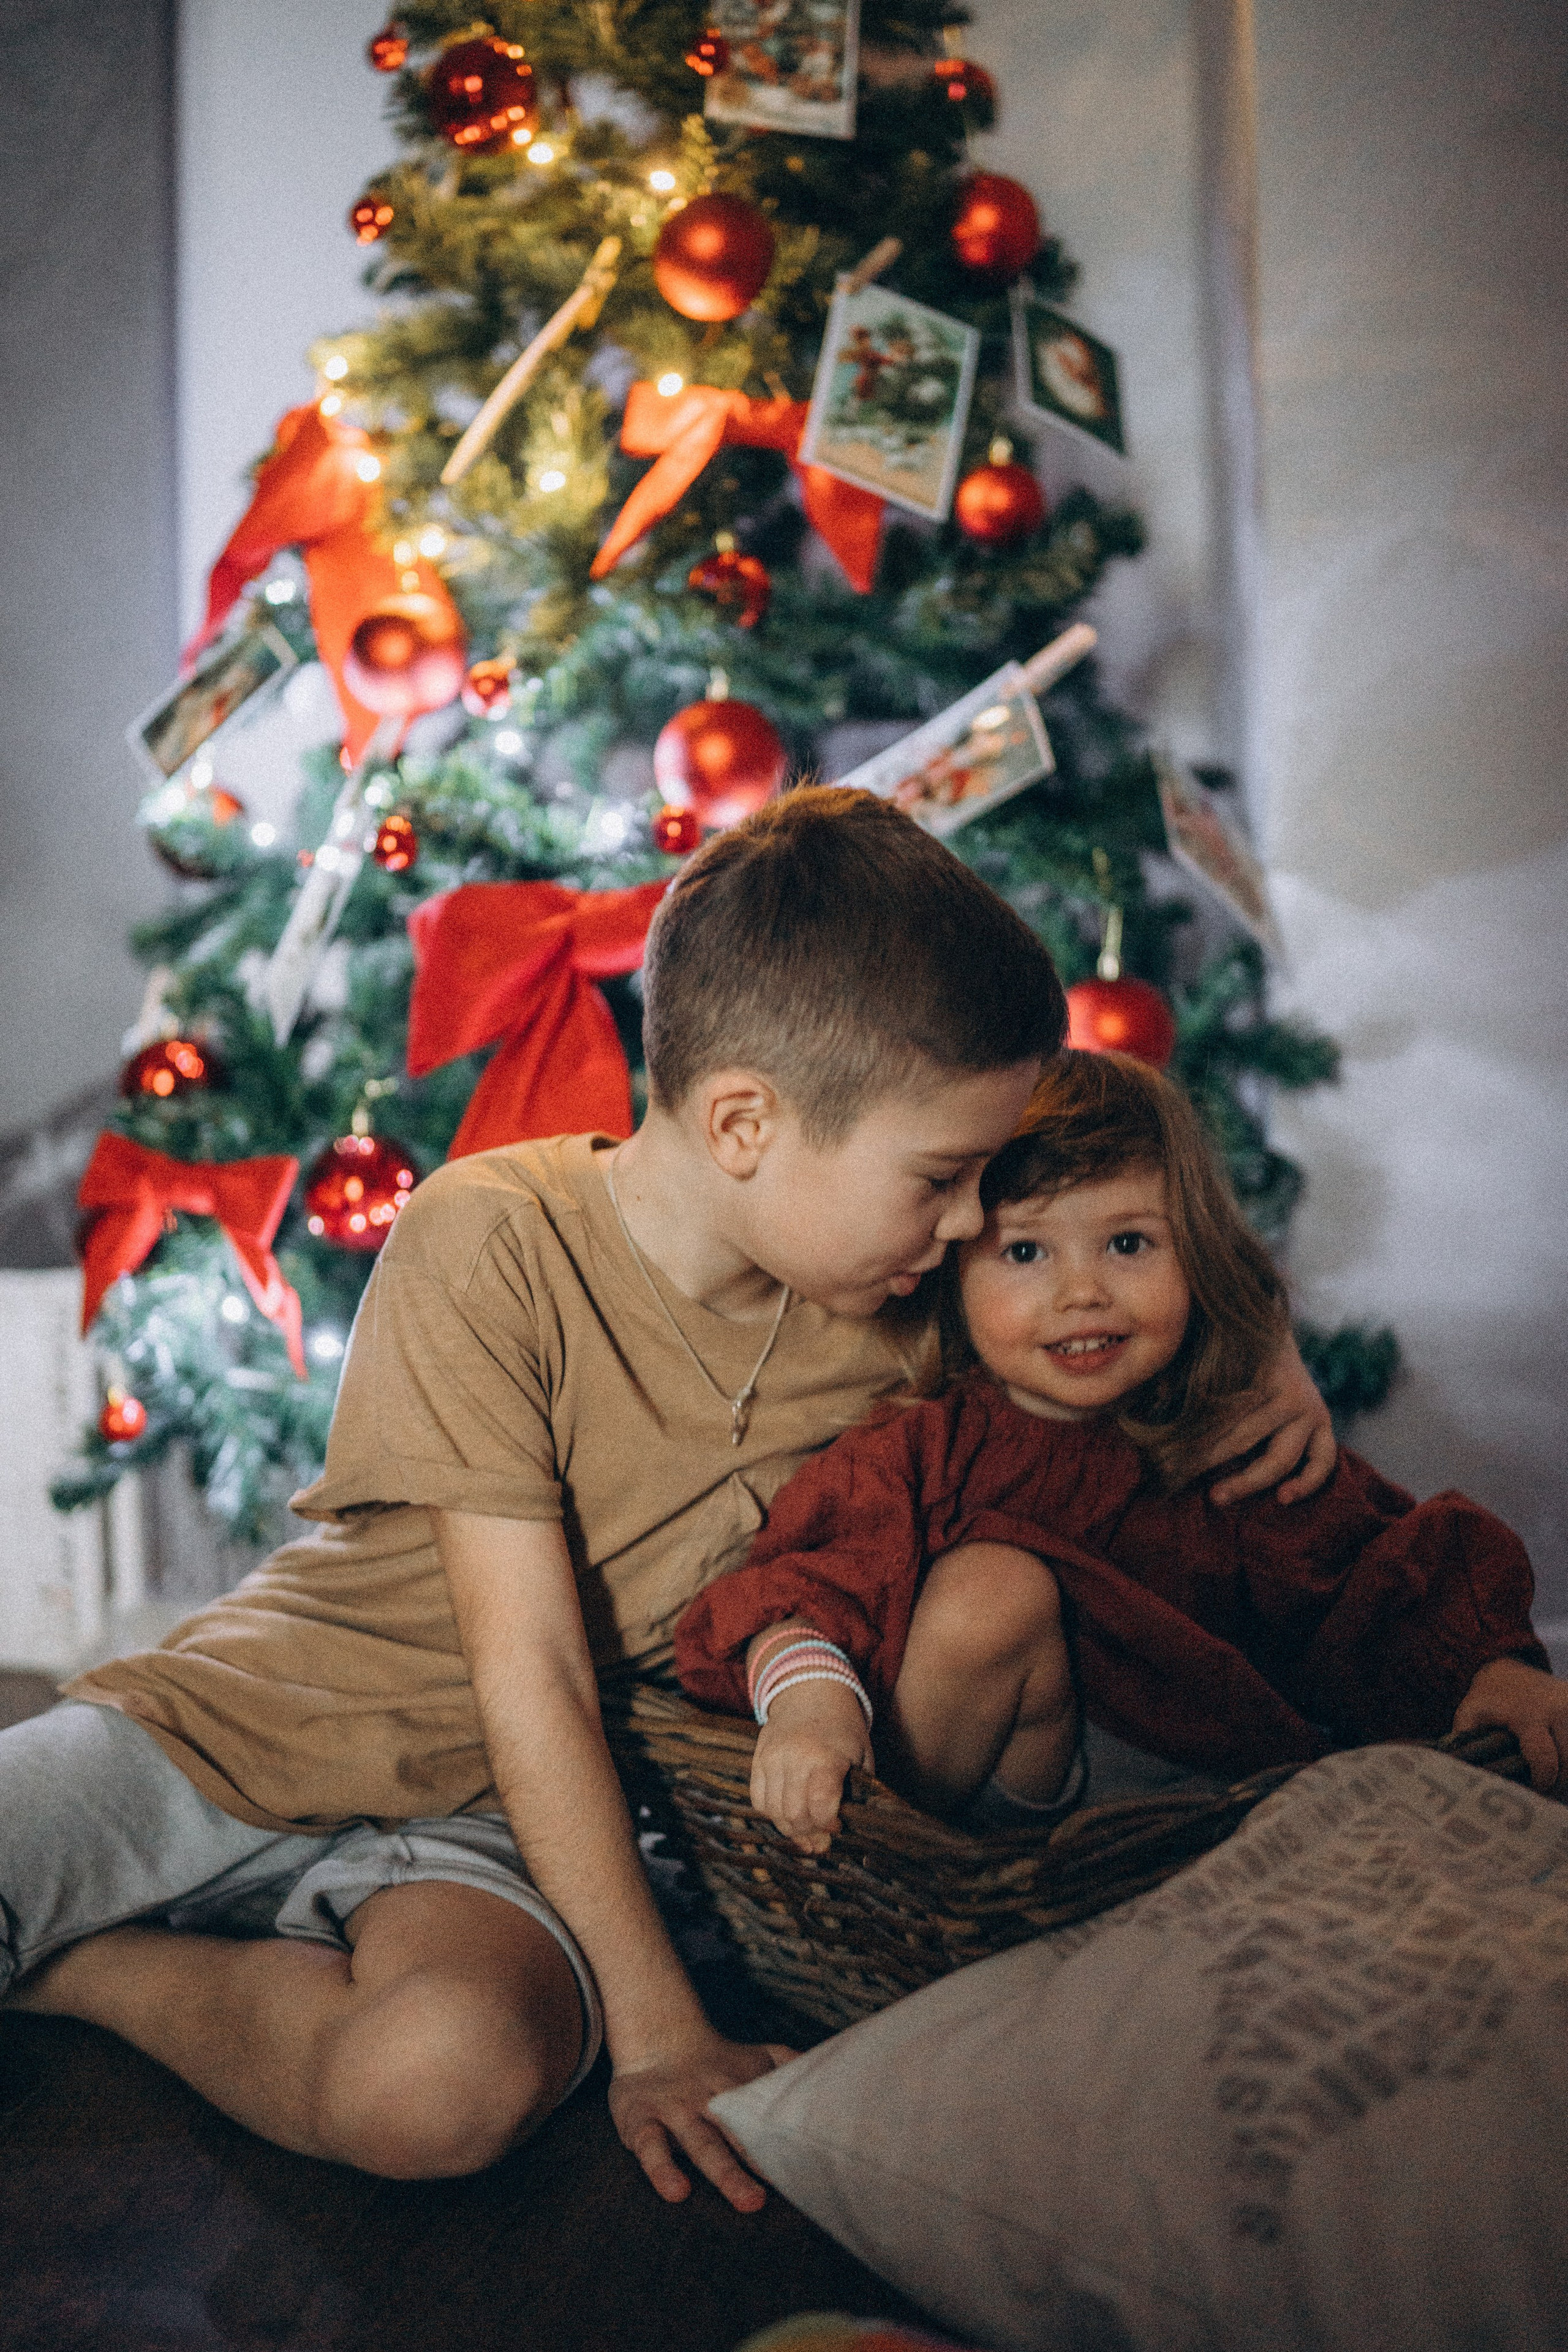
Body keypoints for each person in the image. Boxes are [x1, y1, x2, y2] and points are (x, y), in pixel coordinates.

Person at [1, 795, 1333, 2207]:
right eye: (941, 1179)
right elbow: (527, 1668)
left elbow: (1118, 1289)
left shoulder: (901, 1308)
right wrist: (657, 2036)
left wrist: (1268, 1358)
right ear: (745, 1122)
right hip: (250, 1716)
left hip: (498, 1829)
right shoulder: (491, 1236)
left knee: (440, 2089)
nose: (968, 1223)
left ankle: (85, 1973)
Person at [676, 1050, 1567, 1855]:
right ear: (953, 1270)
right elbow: (800, 1595)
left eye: (1129, 1244)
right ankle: (904, 1869)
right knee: (993, 1587)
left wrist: (1488, 1668)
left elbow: (1380, 1576)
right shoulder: (922, 1450)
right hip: (991, 1808)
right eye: (1026, 1251)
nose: (1083, 1292)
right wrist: (811, 1714)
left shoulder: (1230, 1436)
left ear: (1195, 1254)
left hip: (1219, 1806)